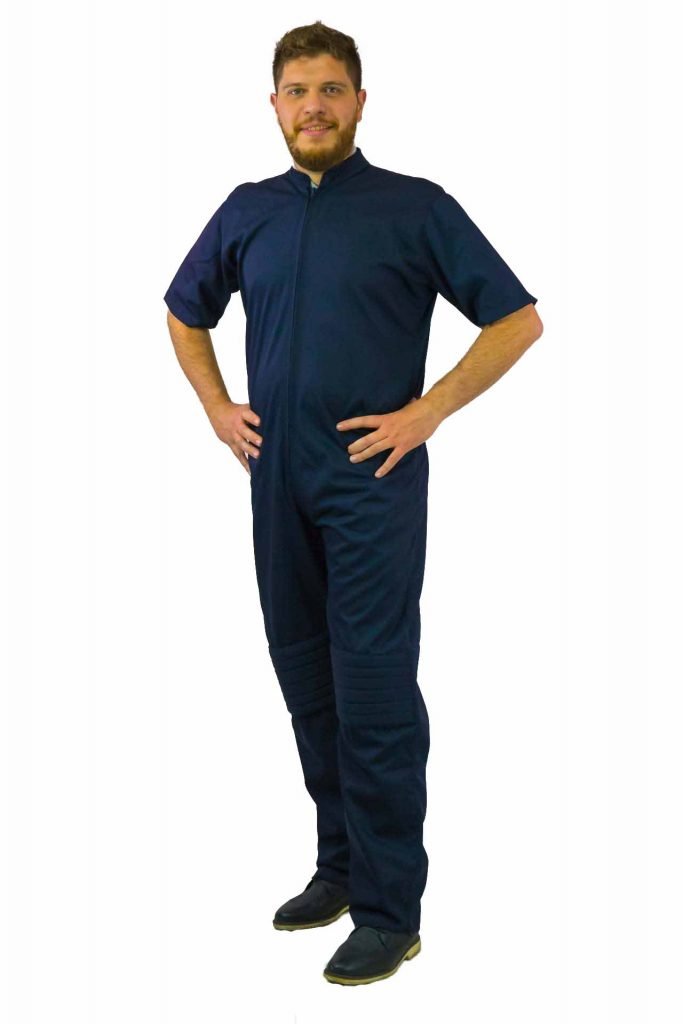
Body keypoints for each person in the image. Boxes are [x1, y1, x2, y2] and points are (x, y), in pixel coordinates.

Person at [163, 20, 543, 987]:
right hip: (274, 480)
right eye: (297, 91)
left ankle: (388, 911)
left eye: (331, 89)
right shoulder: (246, 210)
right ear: (274, 105)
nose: (314, 106)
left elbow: (516, 319)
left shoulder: (414, 207)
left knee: (372, 693)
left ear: (361, 103)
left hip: (370, 483)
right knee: (307, 679)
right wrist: (217, 408)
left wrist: (429, 410)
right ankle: (337, 869)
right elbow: (182, 309)